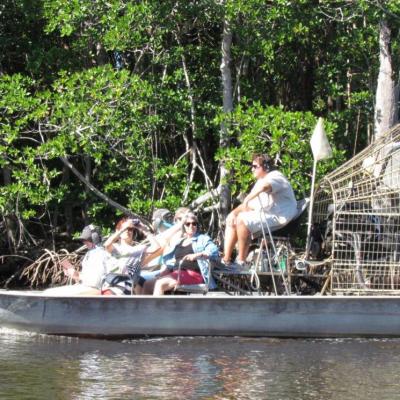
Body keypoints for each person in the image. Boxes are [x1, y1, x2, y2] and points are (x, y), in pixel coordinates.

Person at [222, 154, 297, 266]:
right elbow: (248, 206)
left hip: (280, 216)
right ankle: (225, 261)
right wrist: (233, 213)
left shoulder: (276, 176)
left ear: (266, 167)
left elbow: (266, 187)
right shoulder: (259, 182)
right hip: (267, 214)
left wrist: (248, 197)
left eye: (255, 166)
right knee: (232, 219)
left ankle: (240, 262)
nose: (252, 169)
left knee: (242, 220)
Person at [143, 212, 219, 295]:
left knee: (160, 284)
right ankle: (143, 308)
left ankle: (157, 308)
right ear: (184, 226)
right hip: (176, 273)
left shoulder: (203, 239)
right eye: (188, 224)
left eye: (194, 224)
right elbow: (171, 263)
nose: (191, 226)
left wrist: (198, 255)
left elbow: (214, 251)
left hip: (193, 274)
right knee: (147, 284)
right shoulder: (179, 241)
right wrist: (163, 273)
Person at [45, 224, 109, 295]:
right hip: (88, 288)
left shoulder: (100, 254)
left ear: (94, 238)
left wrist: (78, 275)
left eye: (86, 240)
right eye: (83, 240)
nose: (84, 242)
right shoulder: (90, 253)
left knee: (52, 293)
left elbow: (94, 282)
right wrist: (74, 275)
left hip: (96, 290)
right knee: (49, 291)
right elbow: (87, 278)